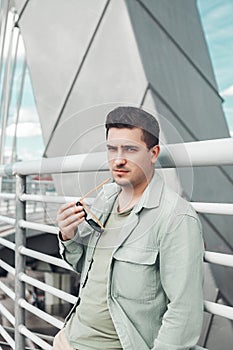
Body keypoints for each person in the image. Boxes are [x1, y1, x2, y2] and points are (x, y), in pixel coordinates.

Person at [54, 106, 205, 350]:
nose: (118, 159)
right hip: (67, 339)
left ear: (153, 153)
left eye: (130, 150)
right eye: (112, 149)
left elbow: (184, 312)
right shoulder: (106, 199)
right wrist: (68, 236)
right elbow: (90, 272)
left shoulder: (176, 217)